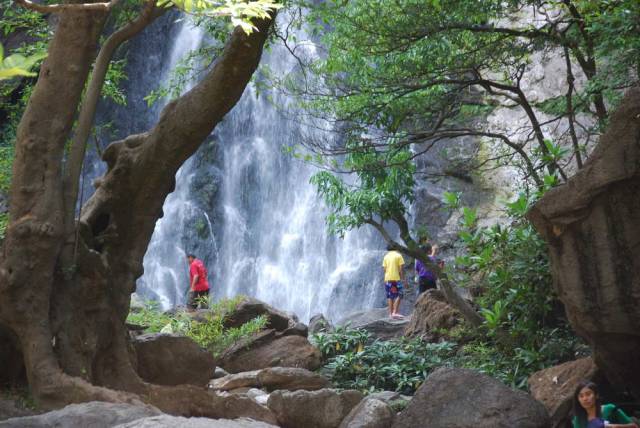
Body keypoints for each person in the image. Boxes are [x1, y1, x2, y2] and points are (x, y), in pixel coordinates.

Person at [572, 381, 638, 428]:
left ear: (596, 395)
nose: (585, 399)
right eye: (581, 396)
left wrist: (614, 426)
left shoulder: (609, 409)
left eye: (588, 394)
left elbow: (634, 426)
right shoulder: (578, 419)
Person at [382, 244, 405, 319]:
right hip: (396, 279)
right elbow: (401, 269)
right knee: (400, 294)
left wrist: (385, 278)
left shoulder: (386, 257)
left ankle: (391, 314)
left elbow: (384, 269)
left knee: (390, 296)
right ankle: (395, 312)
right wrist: (403, 279)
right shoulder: (398, 256)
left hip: (388, 279)